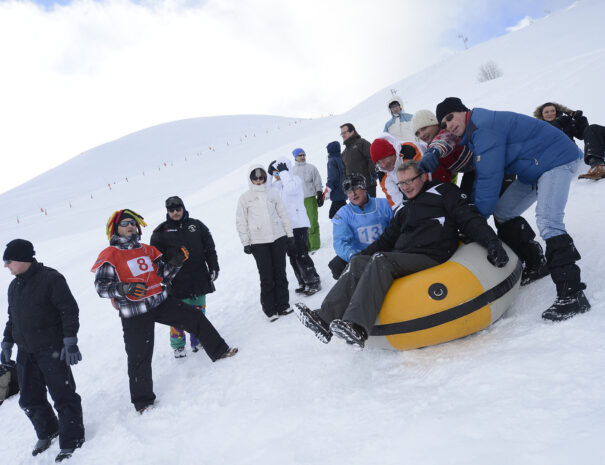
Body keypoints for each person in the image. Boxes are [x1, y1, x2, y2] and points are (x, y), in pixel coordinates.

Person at [294, 161, 508, 348]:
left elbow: (469, 218)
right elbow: (386, 240)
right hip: (406, 256)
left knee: (381, 260)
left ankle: (357, 327)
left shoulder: (444, 192)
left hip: (432, 255)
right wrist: (348, 260)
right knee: (360, 260)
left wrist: (492, 242)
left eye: (410, 181)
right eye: (401, 183)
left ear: (423, 176)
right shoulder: (405, 208)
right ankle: (324, 320)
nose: (406, 187)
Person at [436, 96, 590, 321]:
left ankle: (573, 295)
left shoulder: (484, 127)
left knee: (548, 221)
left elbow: (490, 179)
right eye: (444, 124)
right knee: (503, 211)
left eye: (450, 117)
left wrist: (474, 223)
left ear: (463, 111)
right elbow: (483, 175)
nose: (449, 125)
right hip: (533, 168)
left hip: (556, 160)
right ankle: (536, 264)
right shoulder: (474, 132)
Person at [92, 209, 237, 413]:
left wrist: (176, 262)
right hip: (135, 312)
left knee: (194, 316)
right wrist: (125, 289)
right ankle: (143, 403)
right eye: (125, 224)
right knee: (139, 356)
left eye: (132, 223)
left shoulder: (147, 250)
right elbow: (101, 287)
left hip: (159, 302)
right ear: (115, 229)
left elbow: (162, 276)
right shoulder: (110, 255)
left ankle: (220, 350)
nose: (130, 226)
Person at [415, 108, 548, 286]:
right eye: (417, 132)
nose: (422, 134)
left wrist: (434, 152)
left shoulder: (449, 131)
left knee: (503, 215)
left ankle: (535, 259)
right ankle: (510, 255)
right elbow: (443, 183)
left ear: (435, 123)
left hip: (498, 164)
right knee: (471, 212)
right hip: (475, 172)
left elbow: (444, 140)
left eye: (424, 128)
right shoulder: (432, 153)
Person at [1, 239, 85, 462]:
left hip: (51, 349)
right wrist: (7, 341)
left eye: (8, 261)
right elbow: (13, 318)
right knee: (28, 398)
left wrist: (70, 341)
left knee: (63, 396)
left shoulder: (51, 279)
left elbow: (69, 310)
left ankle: (72, 439)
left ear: (21, 259)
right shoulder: (15, 285)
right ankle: (48, 430)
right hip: (26, 351)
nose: (5, 266)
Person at [150, 196, 220, 358]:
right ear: (167, 211)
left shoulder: (196, 225)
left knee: (199, 311)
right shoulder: (161, 232)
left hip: (198, 276)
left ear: (183, 208)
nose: (175, 213)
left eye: (178, 209)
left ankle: (199, 339)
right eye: (171, 210)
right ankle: (178, 345)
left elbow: (210, 248)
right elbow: (155, 260)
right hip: (176, 281)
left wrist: (214, 266)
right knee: (178, 315)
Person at [236, 166, 294, 320]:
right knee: (266, 276)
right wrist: (245, 242)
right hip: (258, 242)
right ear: (250, 179)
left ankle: (283, 305)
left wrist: (289, 234)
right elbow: (241, 221)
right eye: (255, 178)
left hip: (278, 237)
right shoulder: (245, 198)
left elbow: (283, 213)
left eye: (261, 177)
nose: (258, 180)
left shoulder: (272, 193)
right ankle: (270, 309)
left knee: (280, 273)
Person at [269, 158, 321, 296]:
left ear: (286, 169)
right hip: (286, 227)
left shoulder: (294, 180)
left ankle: (313, 281)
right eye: (275, 172)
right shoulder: (277, 186)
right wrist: (268, 175)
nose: (277, 175)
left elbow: (291, 190)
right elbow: (265, 192)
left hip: (299, 224)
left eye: (279, 171)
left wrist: (284, 172)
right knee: (293, 256)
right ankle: (303, 282)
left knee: (301, 254)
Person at [328, 173, 393, 280]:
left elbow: (397, 228)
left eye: (356, 188)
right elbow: (340, 242)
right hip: (360, 255)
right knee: (336, 265)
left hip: (386, 251)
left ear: (364, 188)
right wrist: (353, 256)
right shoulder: (343, 214)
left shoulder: (384, 204)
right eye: (349, 191)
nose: (353, 194)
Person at [534, 102, 605, 180]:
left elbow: (582, 135)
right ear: (541, 115)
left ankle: (597, 167)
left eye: (553, 111)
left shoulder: (565, 121)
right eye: (546, 112)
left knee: (592, 130)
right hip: (552, 155)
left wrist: (580, 119)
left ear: (557, 112)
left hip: (572, 151)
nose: (550, 113)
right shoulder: (539, 127)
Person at [370, 133, 428, 209]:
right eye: (378, 162)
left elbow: (426, 178)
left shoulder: (411, 150)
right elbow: (395, 201)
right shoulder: (382, 171)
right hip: (411, 199)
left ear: (392, 153)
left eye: (384, 159)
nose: (383, 165)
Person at [290, 148, 324, 251]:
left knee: (312, 222)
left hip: (310, 198)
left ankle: (315, 246)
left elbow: (317, 181)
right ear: (295, 157)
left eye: (303, 155)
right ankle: (306, 246)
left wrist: (319, 194)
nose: (302, 157)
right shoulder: (291, 171)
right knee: (302, 224)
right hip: (298, 201)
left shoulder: (311, 168)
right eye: (300, 155)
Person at [340, 123, 377, 197]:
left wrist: (373, 172)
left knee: (370, 207)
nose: (343, 135)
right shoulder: (344, 153)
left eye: (345, 132)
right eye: (341, 134)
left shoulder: (361, 143)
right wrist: (345, 182)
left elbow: (371, 157)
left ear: (352, 132)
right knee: (358, 208)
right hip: (353, 189)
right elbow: (344, 170)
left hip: (367, 185)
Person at [324, 141, 347, 219]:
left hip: (337, 192)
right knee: (339, 211)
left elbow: (333, 177)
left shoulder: (332, 161)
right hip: (343, 190)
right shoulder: (341, 158)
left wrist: (328, 189)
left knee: (334, 215)